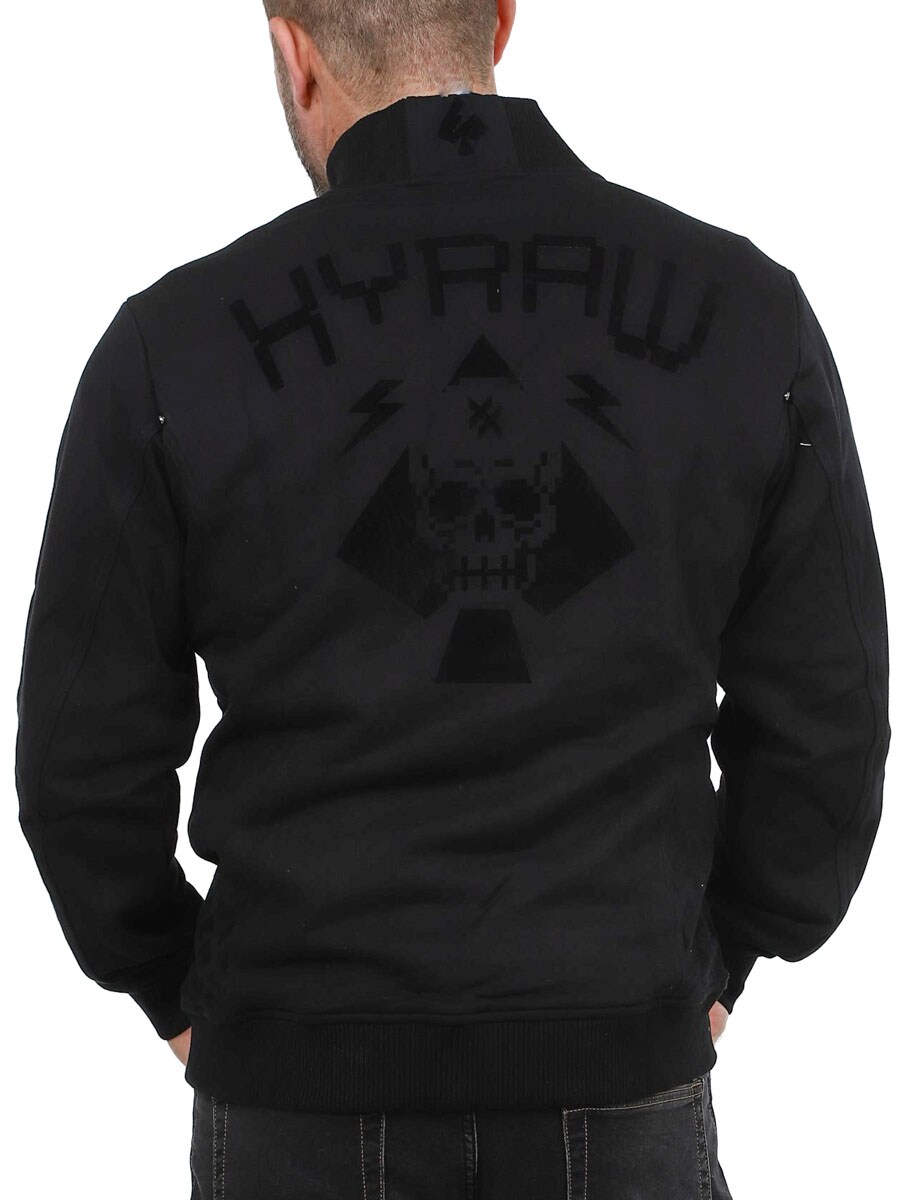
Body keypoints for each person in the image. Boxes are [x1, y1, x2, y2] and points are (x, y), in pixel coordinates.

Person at [14, 1, 890, 1197]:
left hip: (293, 1093)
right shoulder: (744, 313)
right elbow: (831, 718)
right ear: (502, 19)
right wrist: (726, 953)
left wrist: (176, 986)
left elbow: (79, 764)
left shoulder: (172, 345)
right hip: (621, 1067)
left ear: (294, 51)